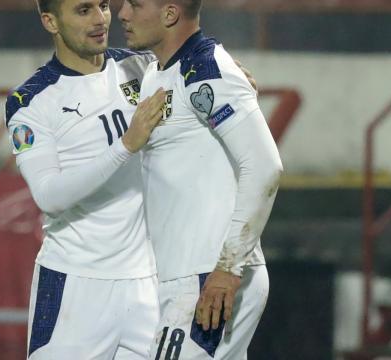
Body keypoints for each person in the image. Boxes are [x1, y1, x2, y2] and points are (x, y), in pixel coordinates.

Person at [118, 0, 284, 358]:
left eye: (134, 4)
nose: (122, 14)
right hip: (185, 276)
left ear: (169, 14)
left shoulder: (206, 72)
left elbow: (265, 166)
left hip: (208, 277)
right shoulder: (157, 72)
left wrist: (227, 268)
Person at [4, 0, 167, 358]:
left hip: (147, 283)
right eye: (83, 10)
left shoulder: (139, 66)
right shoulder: (31, 102)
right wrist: (125, 145)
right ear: (51, 21)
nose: (100, 19)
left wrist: (231, 76)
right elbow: (49, 195)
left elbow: (195, 68)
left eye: (104, 5)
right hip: (76, 287)